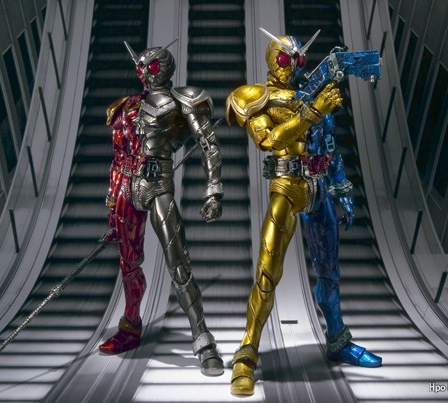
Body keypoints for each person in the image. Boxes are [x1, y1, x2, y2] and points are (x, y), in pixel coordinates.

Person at [225, 28, 381, 396]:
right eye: (284, 58)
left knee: (329, 272)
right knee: (267, 272)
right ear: (271, 59)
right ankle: (246, 354)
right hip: (287, 188)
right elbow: (268, 140)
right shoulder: (257, 97)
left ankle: (338, 340)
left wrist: (342, 189)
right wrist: (311, 113)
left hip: (319, 188)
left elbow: (329, 147)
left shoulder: (312, 93)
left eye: (298, 60)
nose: (291, 66)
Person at [99, 38, 224, 377]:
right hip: (127, 188)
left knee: (178, 263)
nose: (144, 72)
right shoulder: (126, 107)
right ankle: (130, 326)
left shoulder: (184, 100)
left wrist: (213, 190)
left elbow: (208, 145)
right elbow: (118, 159)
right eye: (140, 66)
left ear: (165, 68)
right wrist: (113, 202)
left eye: (151, 65)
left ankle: (203, 340)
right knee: (129, 264)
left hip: (158, 187)